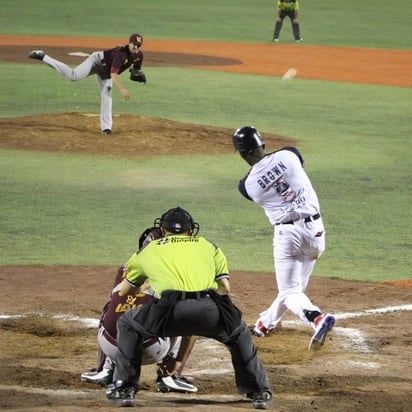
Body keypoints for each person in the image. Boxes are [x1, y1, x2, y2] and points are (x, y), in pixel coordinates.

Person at [106, 207, 272, 409]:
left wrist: (150, 285)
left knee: (128, 324)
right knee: (238, 333)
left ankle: (125, 388)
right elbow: (224, 289)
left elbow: (125, 292)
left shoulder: (149, 249)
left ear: (163, 230)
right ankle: (260, 392)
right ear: (190, 231)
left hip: (168, 313)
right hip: (209, 310)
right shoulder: (209, 246)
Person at [232, 126, 335, 350]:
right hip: (316, 232)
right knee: (294, 288)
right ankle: (266, 323)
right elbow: (288, 168)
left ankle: (317, 318)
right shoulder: (290, 154)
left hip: (288, 237)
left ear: (241, 153)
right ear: (263, 144)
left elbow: (263, 183)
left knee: (290, 291)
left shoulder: (247, 186)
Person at [81, 227, 197, 394]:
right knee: (184, 315)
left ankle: (106, 370)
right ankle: (169, 376)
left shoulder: (125, 268)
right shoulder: (174, 271)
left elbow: (117, 298)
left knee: (111, 307)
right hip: (150, 349)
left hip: (113, 348)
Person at [28, 33, 146, 136]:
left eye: (138, 45)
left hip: (105, 73)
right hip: (96, 61)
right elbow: (114, 74)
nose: (135, 47)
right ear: (129, 43)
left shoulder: (139, 55)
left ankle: (106, 128)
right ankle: (43, 56)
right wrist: (123, 89)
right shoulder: (121, 53)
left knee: (107, 96)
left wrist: (137, 73)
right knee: (73, 75)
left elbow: (136, 70)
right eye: (133, 44)